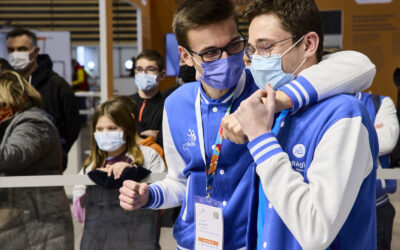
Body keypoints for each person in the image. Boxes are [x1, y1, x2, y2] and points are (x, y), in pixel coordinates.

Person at [119, 0, 376, 249]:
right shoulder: (176, 104)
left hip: (247, 239)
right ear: (186, 56)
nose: (227, 58)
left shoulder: (265, 89)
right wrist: (150, 196)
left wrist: (279, 101)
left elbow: (359, 65)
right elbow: (181, 179)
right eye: (210, 53)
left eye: (234, 46)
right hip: (196, 238)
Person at [233, 0, 378, 249]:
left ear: (308, 44)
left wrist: (259, 137)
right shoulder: (278, 110)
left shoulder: (344, 115)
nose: (255, 59)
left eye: (265, 46)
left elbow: (315, 232)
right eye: (252, 49)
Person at [72, 96, 166, 250]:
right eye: (100, 129)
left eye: (112, 128)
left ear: (126, 129)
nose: (105, 133)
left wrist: (132, 171)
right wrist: (96, 181)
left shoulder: (147, 156)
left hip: (140, 241)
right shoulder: (90, 166)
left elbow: (162, 200)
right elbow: (80, 215)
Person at [0, 70, 74, 250]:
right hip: (26, 222)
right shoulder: (16, 122)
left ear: (12, 98)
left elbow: (12, 156)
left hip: (39, 225)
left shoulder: (34, 123)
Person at [6, 28, 81, 170]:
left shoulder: (58, 85)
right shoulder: (5, 86)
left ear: (35, 51)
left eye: (22, 49)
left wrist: (59, 151)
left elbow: (73, 125)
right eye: (11, 50)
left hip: (47, 165)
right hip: (12, 165)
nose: (16, 54)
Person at [356, 92, 399, 250]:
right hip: (340, 211)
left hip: (377, 208)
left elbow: (387, 140)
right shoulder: (326, 103)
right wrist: (372, 131)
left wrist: (343, 140)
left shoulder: (379, 103)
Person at [131, 49, 166, 146]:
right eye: (139, 69)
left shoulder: (168, 106)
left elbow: (168, 139)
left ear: (162, 75)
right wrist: (142, 135)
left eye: (150, 69)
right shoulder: (125, 104)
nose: (143, 74)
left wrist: (158, 138)